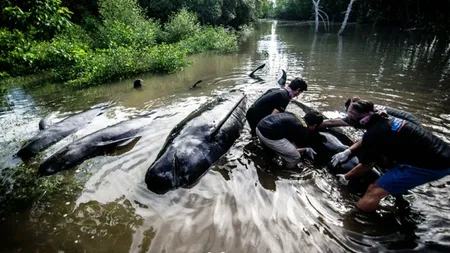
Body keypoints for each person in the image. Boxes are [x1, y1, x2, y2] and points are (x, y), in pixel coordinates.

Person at [333, 98, 450, 212]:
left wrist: (345, 177)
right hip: (440, 152)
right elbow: (368, 140)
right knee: (386, 167)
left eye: (350, 119)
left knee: (374, 191)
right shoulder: (384, 118)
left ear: (360, 120)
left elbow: (366, 165)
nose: (349, 121)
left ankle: (357, 219)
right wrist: (348, 151)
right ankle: (399, 196)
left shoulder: (374, 133)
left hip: (433, 165)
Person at [255, 110, 324, 169]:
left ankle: (266, 156)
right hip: (268, 136)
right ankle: (283, 173)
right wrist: (306, 149)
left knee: (274, 150)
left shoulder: (295, 115)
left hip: (259, 127)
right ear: (314, 125)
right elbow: (295, 149)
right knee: (295, 157)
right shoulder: (303, 128)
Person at [320, 97, 421, 129]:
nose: (348, 113)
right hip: (411, 121)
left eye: (349, 111)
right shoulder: (367, 106)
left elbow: (332, 122)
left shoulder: (363, 116)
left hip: (405, 124)